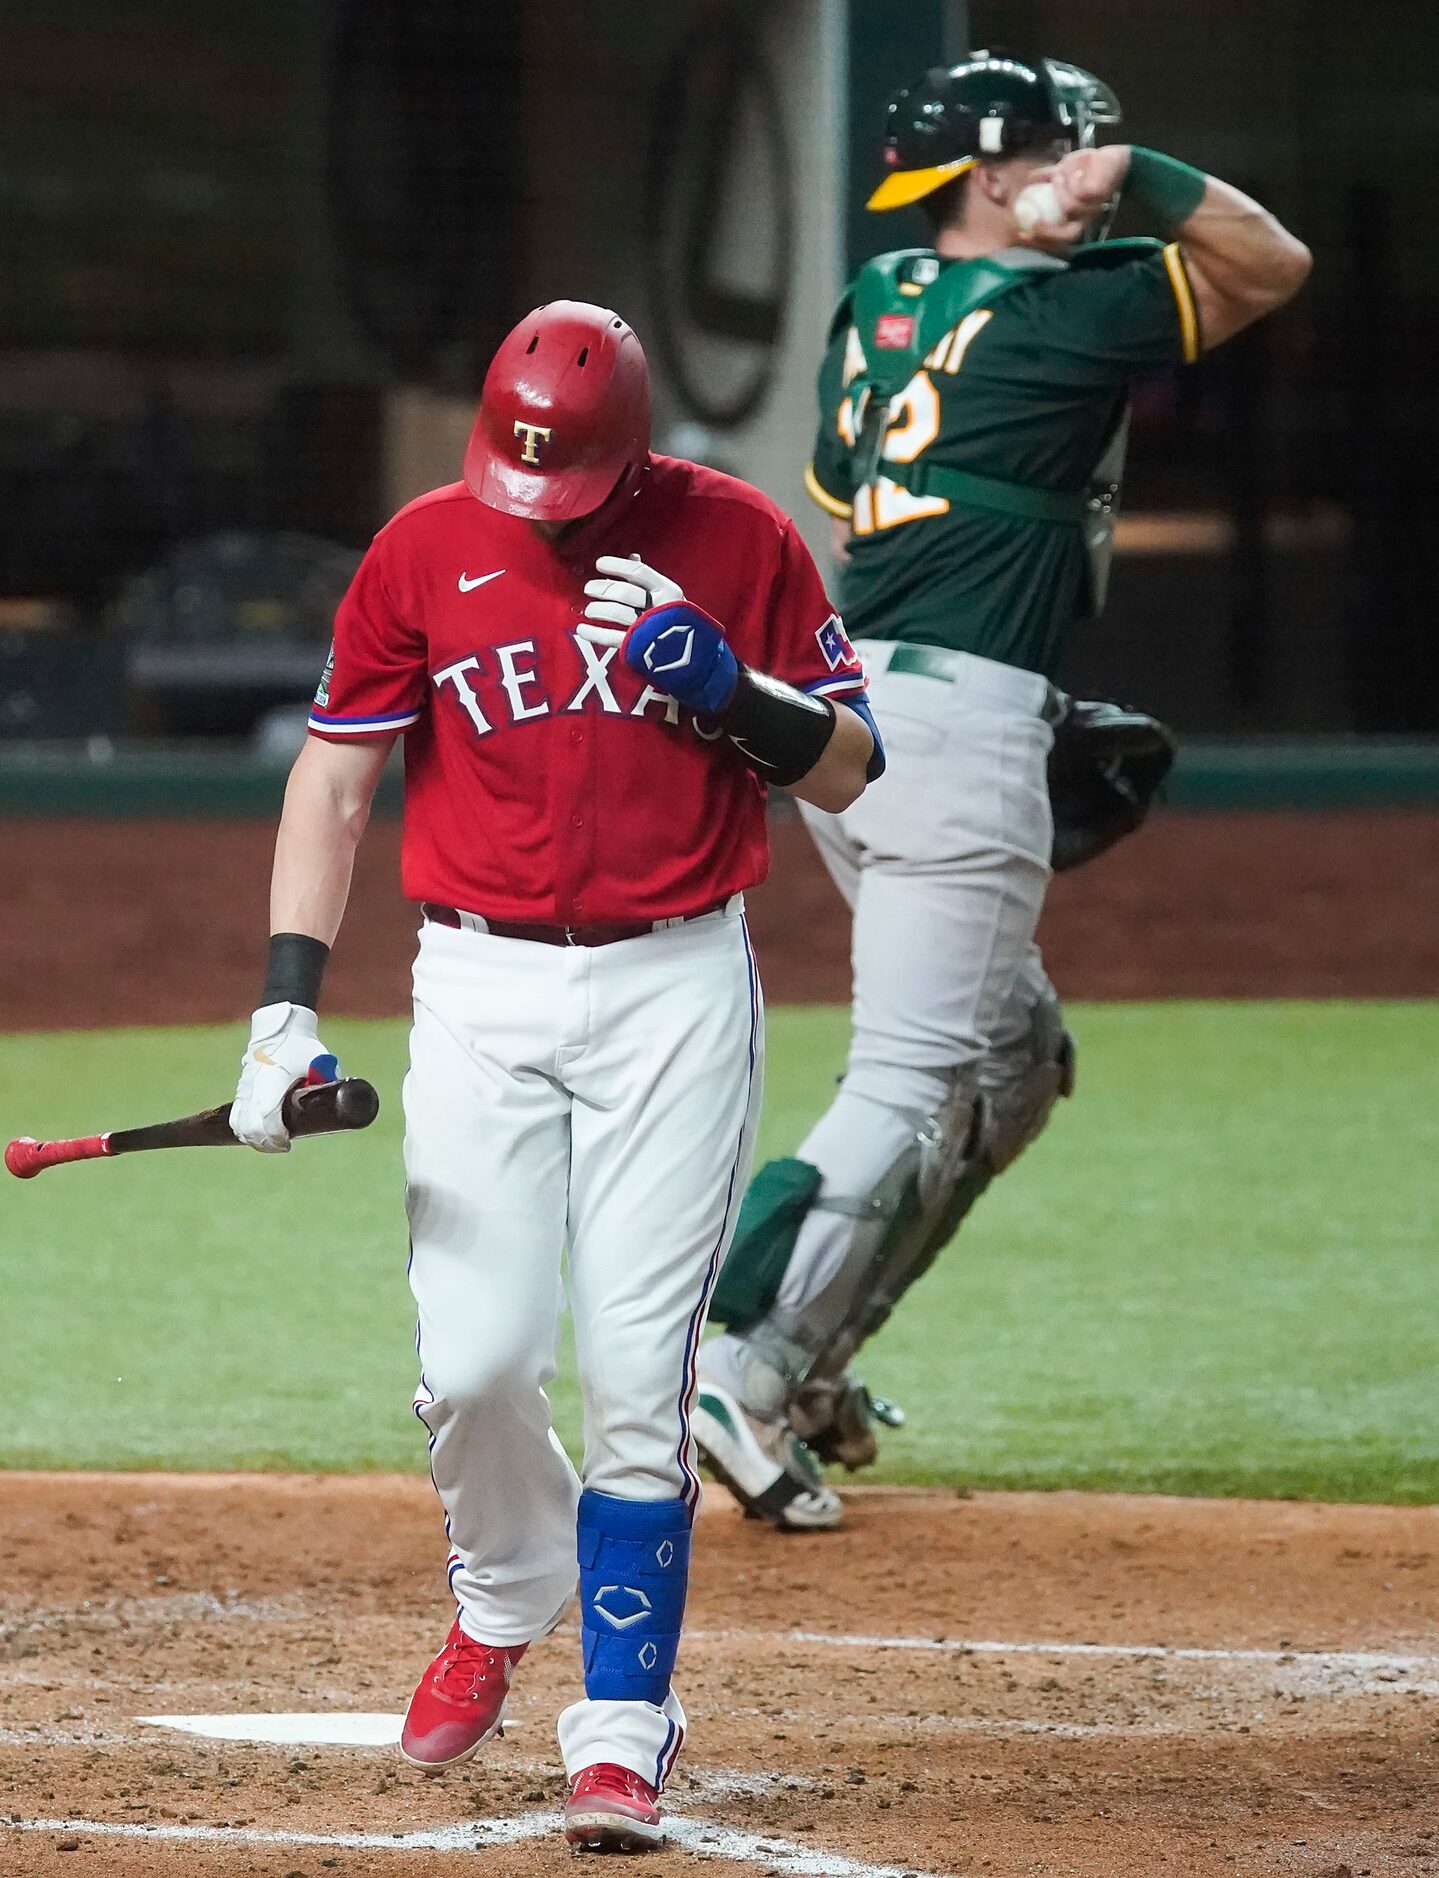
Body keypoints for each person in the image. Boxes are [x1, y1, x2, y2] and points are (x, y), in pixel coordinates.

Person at [227, 300, 881, 1850]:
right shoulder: (421, 550)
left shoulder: (741, 539)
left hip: (672, 982)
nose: (536, 504)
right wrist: (280, 1007)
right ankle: (506, 1586)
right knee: (473, 1360)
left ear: (633, 444)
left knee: (640, 1374)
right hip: (476, 984)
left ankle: (622, 1729)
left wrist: (730, 691)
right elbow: (337, 774)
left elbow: (854, 762)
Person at [693, 50, 1312, 1530]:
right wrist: (1147, 184)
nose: (1084, 179)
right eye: (1059, 156)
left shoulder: (880, 300)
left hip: (846, 720)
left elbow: (861, 489)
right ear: (992, 169)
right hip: (958, 731)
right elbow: (1270, 263)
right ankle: (724, 1365)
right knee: (909, 1081)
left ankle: (810, 1354)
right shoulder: (1063, 311)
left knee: (1014, 1062)